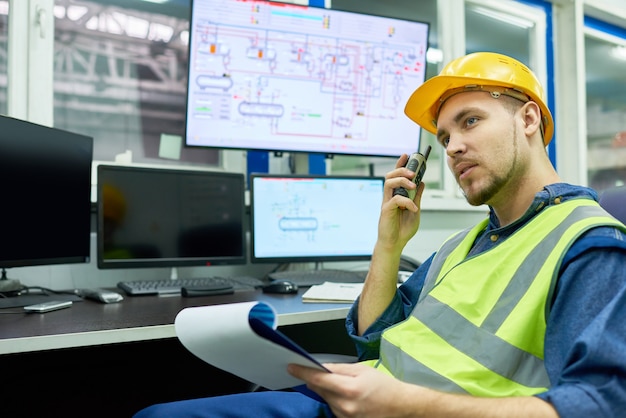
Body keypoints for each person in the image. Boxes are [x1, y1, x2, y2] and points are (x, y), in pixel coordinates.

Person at [134, 52, 626, 417]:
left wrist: (406, 405)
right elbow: (374, 342)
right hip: (361, 400)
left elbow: (596, 407)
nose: (454, 147)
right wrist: (389, 244)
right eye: (444, 138)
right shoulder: (464, 243)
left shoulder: (589, 245)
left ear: (528, 119)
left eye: (470, 121)